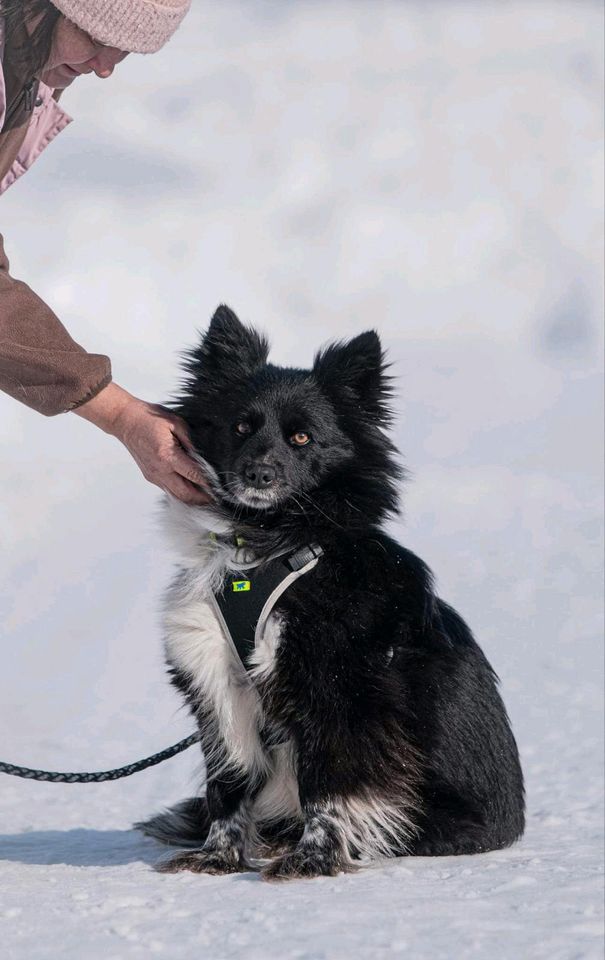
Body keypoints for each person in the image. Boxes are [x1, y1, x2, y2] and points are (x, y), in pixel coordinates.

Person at [0, 0, 211, 505]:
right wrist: (117, 413)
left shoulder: (23, 70)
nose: (105, 67)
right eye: (94, 37)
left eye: (124, 51)